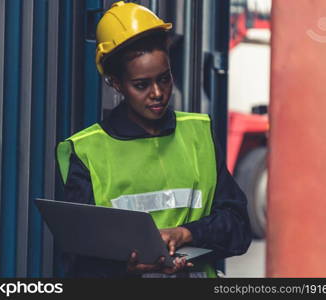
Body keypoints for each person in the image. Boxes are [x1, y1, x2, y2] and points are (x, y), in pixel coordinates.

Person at [56, 1, 251, 278]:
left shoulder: (198, 135)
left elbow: (238, 228)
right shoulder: (88, 151)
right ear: (115, 83)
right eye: (141, 85)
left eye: (164, 78)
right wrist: (126, 267)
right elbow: (80, 258)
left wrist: (185, 234)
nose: (158, 93)